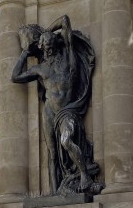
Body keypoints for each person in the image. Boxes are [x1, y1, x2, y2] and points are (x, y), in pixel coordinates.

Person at [12, 16, 102, 196]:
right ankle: (54, 193)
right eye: (46, 46)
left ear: (56, 43)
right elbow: (15, 77)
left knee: (66, 140)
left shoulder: (69, 57)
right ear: (42, 48)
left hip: (68, 111)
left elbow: (65, 21)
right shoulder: (40, 69)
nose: (49, 48)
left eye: (51, 44)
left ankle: (85, 176)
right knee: (52, 154)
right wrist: (25, 53)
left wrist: (46, 31)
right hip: (49, 111)